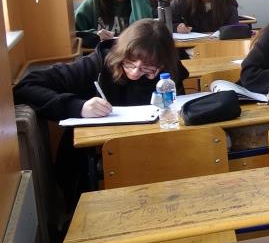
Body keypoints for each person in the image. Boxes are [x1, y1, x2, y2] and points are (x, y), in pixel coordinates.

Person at [14, 19, 187, 207]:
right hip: (95, 162)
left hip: (153, 155)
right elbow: (26, 86)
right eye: (129, 63)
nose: (136, 72)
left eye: (147, 68)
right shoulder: (97, 64)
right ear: (121, 54)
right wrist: (78, 107)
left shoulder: (169, 72)